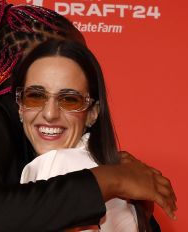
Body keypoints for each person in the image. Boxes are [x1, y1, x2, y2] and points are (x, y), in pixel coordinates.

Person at [0, 1, 177, 231]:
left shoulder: (75, 149)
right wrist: (108, 180)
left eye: (70, 96)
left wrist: (134, 208)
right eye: (37, 93)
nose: (51, 113)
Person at [15, 39, 152, 231]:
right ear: (20, 106)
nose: (50, 114)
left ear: (92, 113)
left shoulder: (57, 165)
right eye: (35, 96)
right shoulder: (104, 168)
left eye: (70, 100)